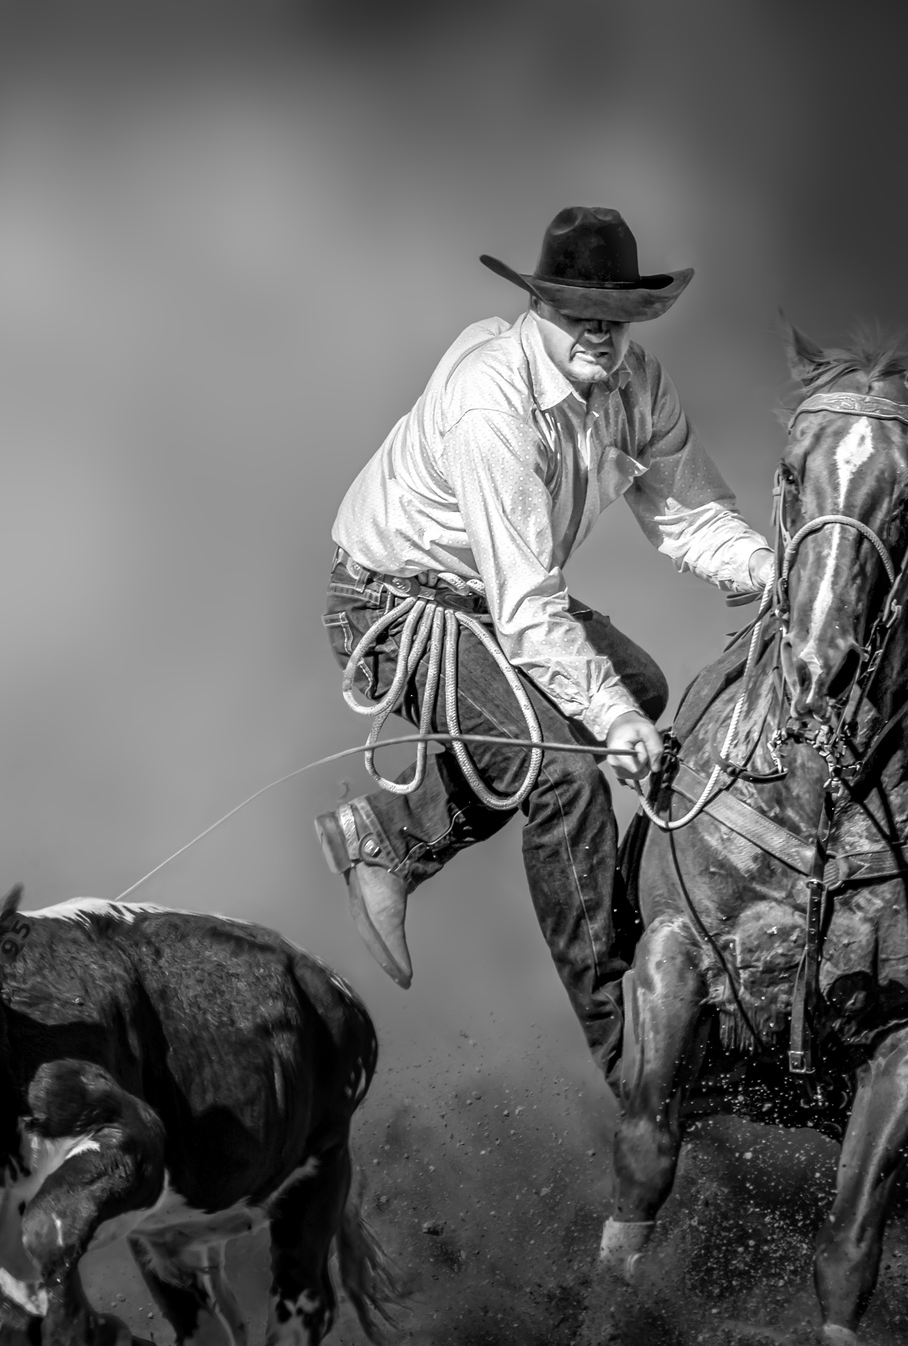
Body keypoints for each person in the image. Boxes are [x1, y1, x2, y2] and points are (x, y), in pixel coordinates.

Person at [315, 206, 775, 1082]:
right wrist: (608, 723)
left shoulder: (638, 384)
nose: (600, 331)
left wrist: (776, 569)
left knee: (638, 687)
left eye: (616, 314)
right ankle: (624, 1045)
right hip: (393, 608)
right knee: (564, 774)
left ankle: (389, 836)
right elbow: (529, 610)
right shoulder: (493, 403)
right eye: (578, 312)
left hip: (488, 597)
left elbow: (690, 515)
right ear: (541, 308)